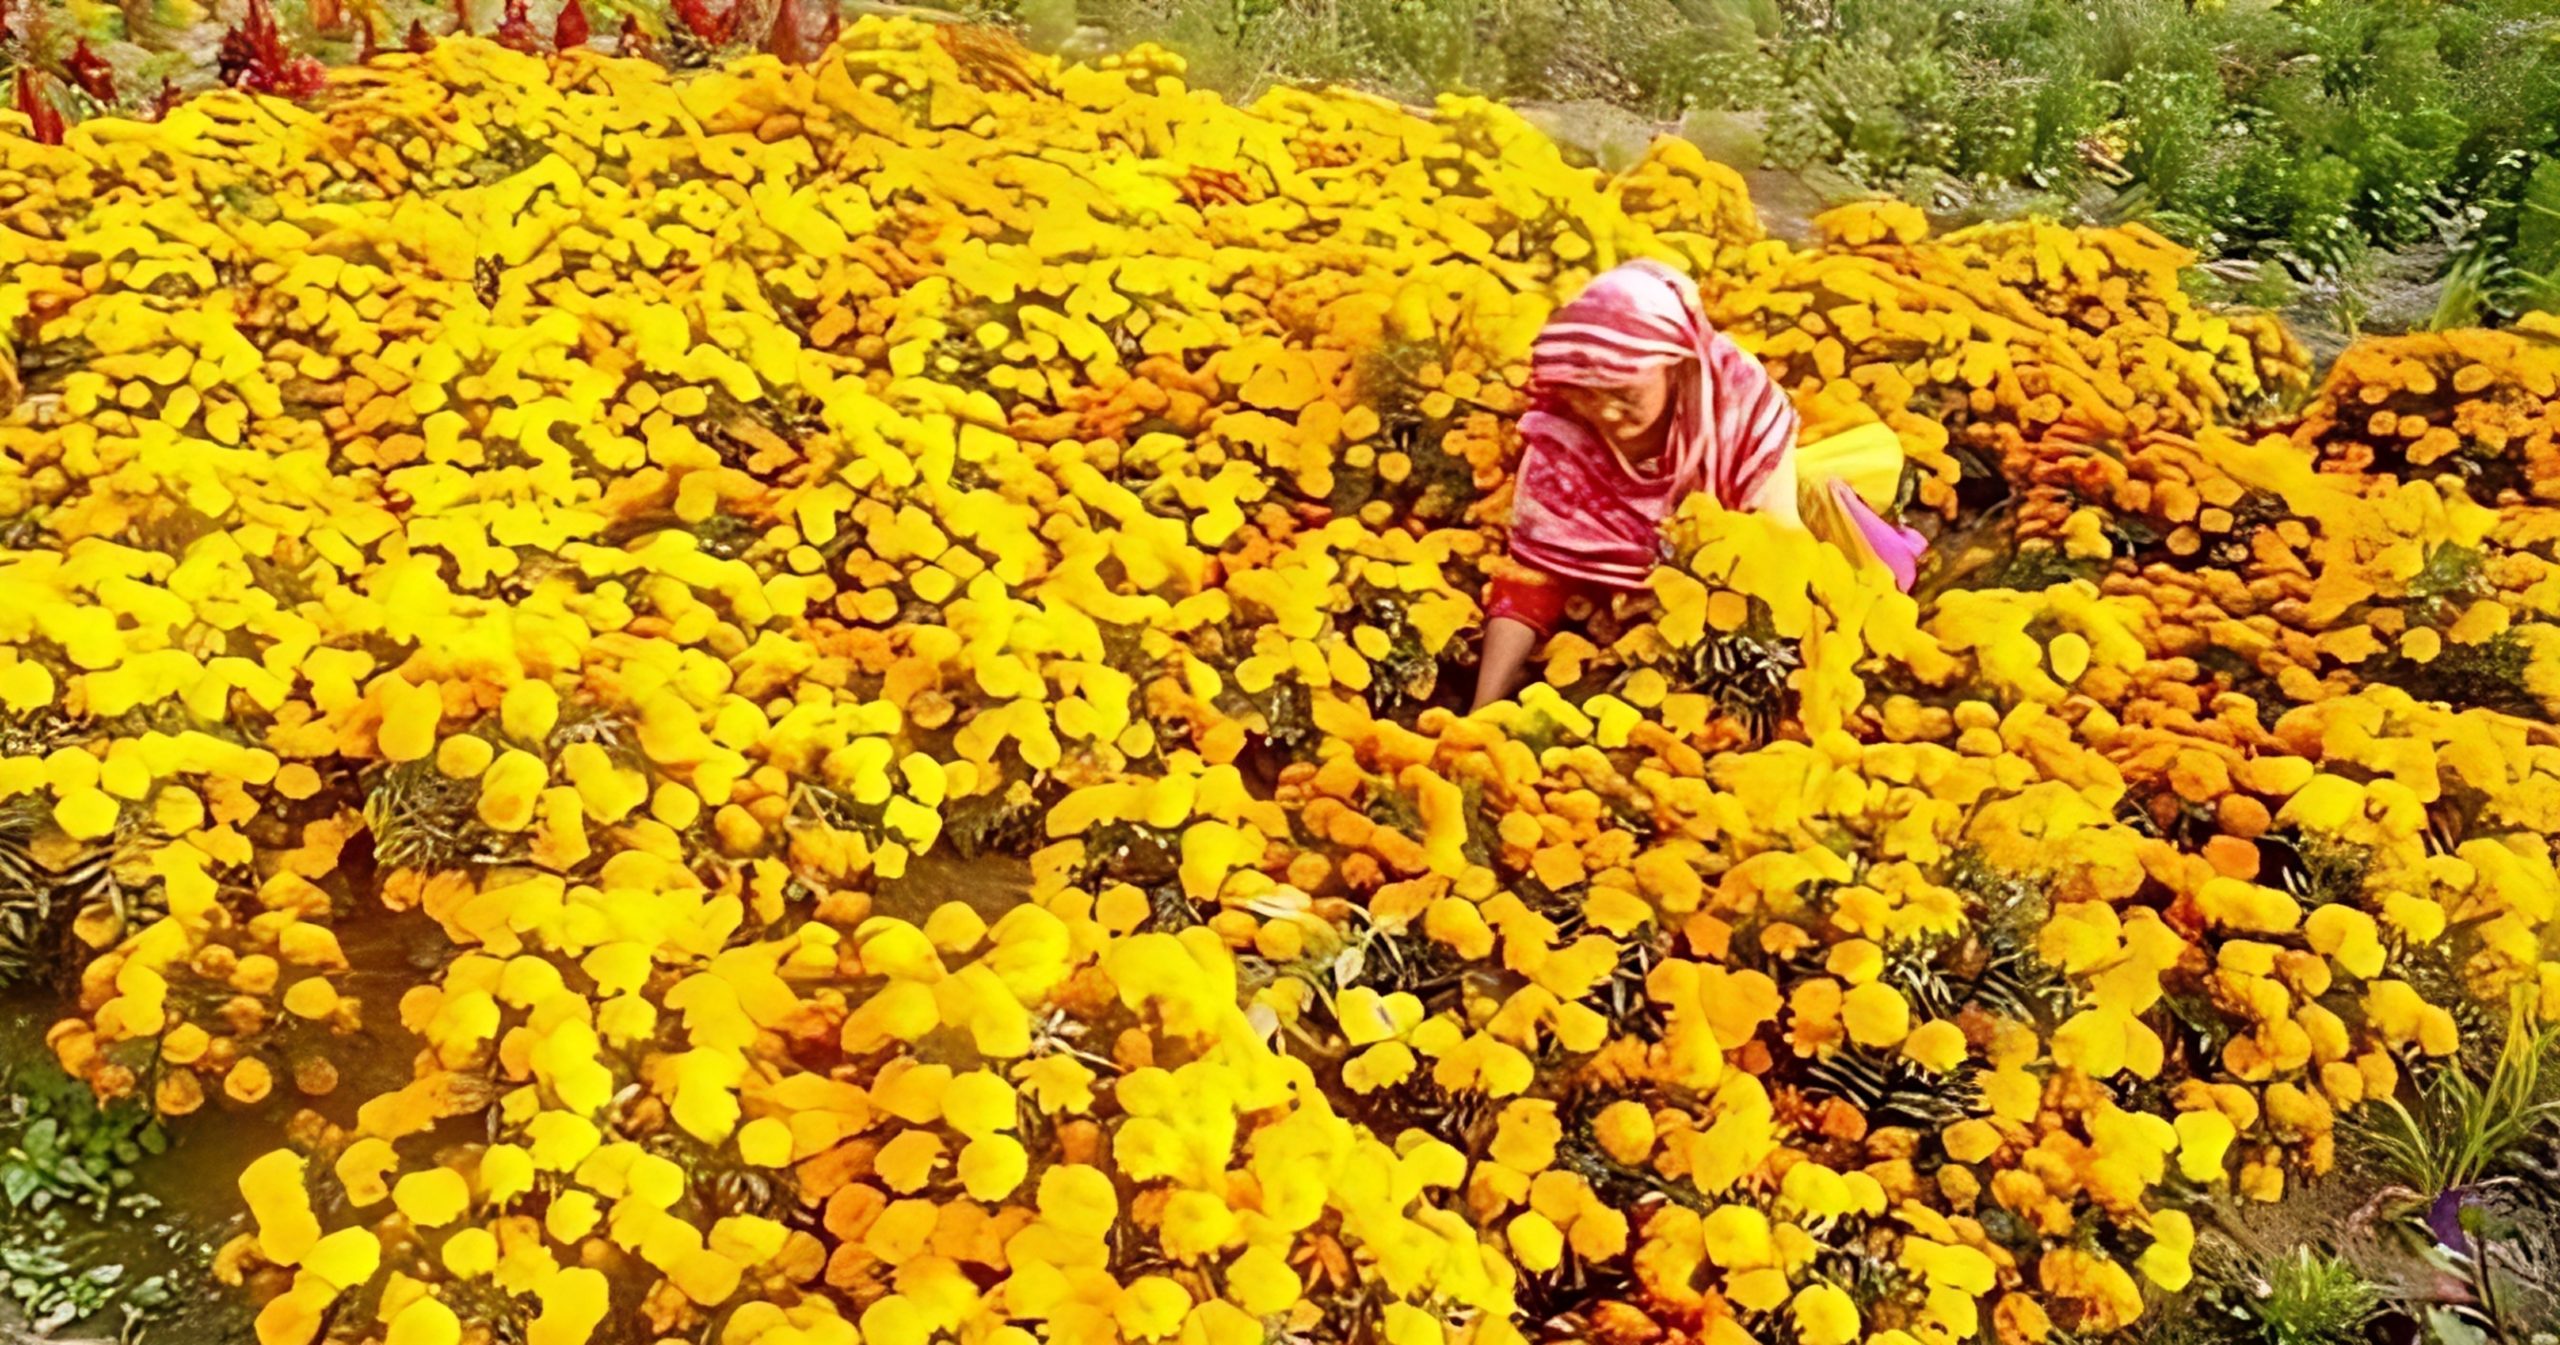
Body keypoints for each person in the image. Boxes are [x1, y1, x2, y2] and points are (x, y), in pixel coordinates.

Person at [1471, 258, 1926, 712]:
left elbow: (1782, 553)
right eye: (1587, 393)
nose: (1606, 413)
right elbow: (1533, 579)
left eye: (1626, 395)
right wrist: (1482, 710)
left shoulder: (1738, 407)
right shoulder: (1561, 444)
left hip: (1744, 575)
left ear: (1677, 367)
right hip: (1639, 621)